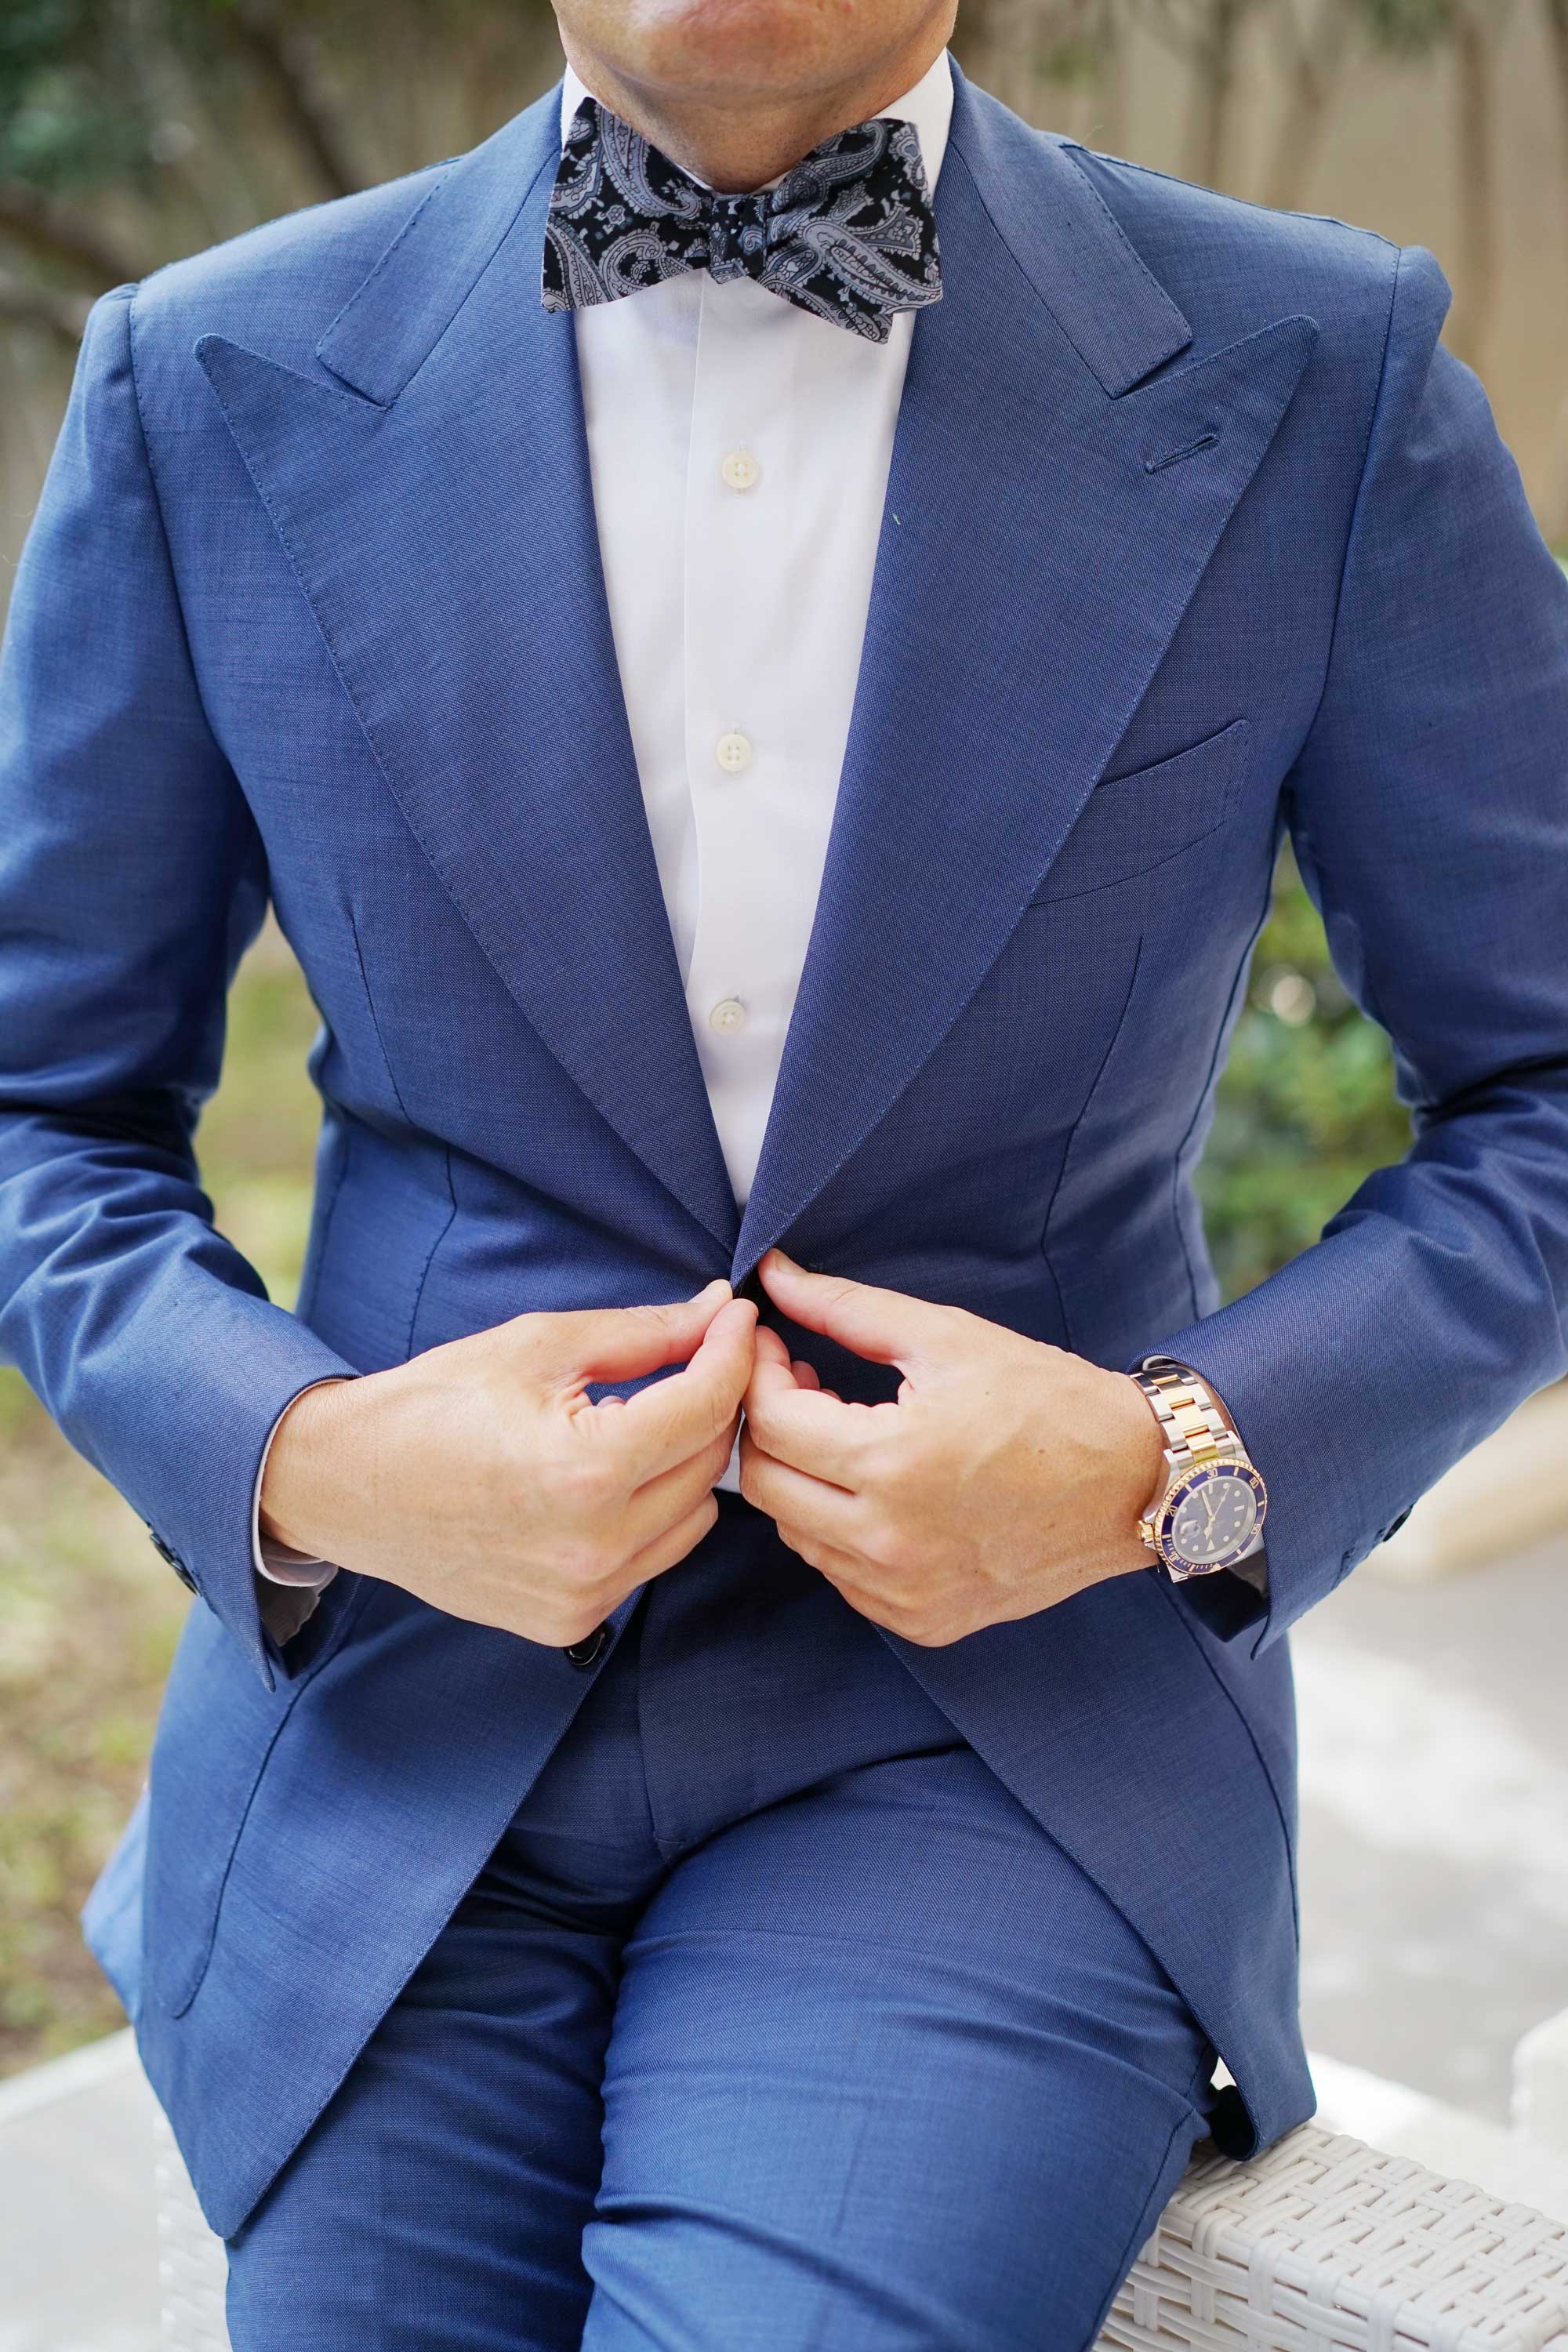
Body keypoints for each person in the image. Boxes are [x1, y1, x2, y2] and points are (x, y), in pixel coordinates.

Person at [2, 0, 1566, 2337]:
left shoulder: (1317, 372)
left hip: (992, 1737)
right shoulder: (199, 378)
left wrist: (1172, 1463)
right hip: (401, 1742)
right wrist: (309, 1459)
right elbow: (46, 1101)